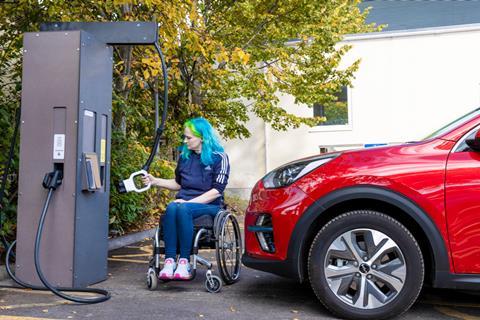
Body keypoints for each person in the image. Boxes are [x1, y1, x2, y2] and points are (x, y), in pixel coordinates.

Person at [142, 117, 230, 280]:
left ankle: (183, 262)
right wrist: (155, 181)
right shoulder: (185, 157)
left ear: (202, 137)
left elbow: (217, 191)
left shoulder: (219, 157)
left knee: (180, 207)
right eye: (185, 137)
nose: (185, 140)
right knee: (172, 206)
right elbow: (178, 183)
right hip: (184, 204)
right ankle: (169, 262)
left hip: (210, 205)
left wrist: (188, 203)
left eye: (188, 137)